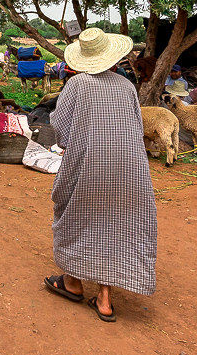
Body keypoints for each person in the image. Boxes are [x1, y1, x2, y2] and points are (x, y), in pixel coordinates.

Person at [44, 28, 157, 322]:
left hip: (90, 163)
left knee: (76, 214)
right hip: (131, 168)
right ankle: (105, 299)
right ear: (113, 57)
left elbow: (62, 132)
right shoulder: (127, 87)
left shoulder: (77, 85)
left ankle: (72, 281)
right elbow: (135, 127)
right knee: (115, 223)